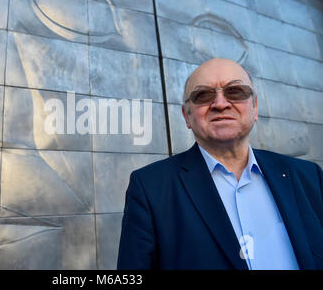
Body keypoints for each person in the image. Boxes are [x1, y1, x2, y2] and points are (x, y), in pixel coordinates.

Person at [117, 58, 323, 270]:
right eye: (203, 95)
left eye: (235, 91)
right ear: (187, 116)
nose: (220, 104)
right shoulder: (150, 187)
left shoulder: (309, 176)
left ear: (255, 108)